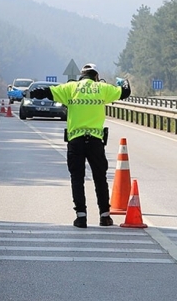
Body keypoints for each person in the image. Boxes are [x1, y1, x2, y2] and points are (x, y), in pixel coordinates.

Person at [29, 63, 130, 228]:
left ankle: (81, 217)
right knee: (100, 178)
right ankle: (105, 216)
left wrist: (33, 91)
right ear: (95, 76)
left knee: (77, 178)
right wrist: (123, 82)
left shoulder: (71, 88)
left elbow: (44, 92)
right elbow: (125, 92)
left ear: (81, 76)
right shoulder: (102, 88)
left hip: (76, 140)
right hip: (96, 141)